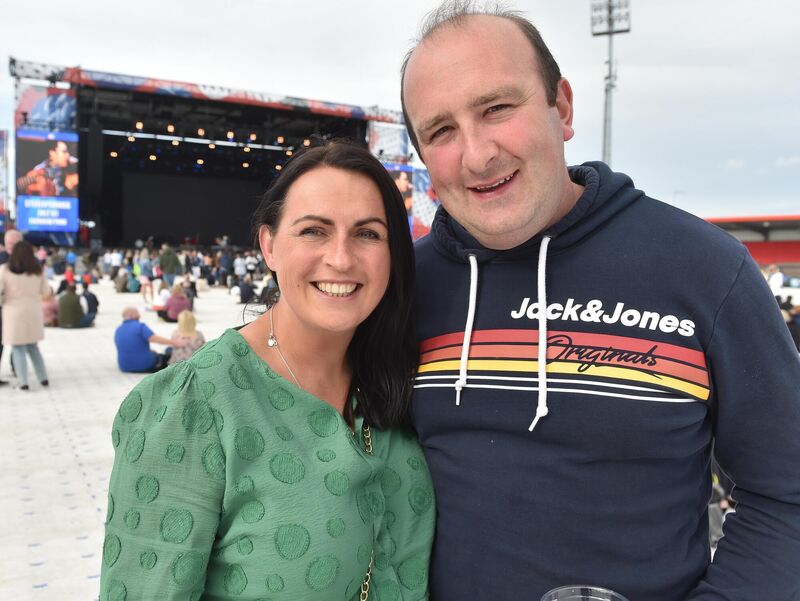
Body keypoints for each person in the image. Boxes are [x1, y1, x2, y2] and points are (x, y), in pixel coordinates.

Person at [400, 3, 800, 601]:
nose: (478, 154)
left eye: (497, 109)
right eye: (441, 131)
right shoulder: (401, 288)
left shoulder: (705, 269)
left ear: (561, 106)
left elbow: (786, 493)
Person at [100, 141, 434, 601]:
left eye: (368, 233)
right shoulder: (196, 405)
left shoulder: (391, 376)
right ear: (269, 245)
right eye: (314, 231)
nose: (341, 257)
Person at [0, 240, 50, 390]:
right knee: (33, 347)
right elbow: (46, 292)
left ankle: (23, 382)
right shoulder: (38, 271)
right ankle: (43, 378)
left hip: (13, 313)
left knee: (18, 349)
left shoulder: (4, 270)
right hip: (33, 312)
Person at [113, 307, 180, 372]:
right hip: (144, 365)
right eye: (137, 313)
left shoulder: (118, 329)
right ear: (132, 314)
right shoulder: (140, 326)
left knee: (154, 353)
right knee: (168, 354)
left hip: (124, 366)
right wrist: (175, 342)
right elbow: (154, 338)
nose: (139, 315)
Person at [0, 229, 23, 385]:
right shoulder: (3, 258)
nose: (11, 247)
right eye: (9, 243)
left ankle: (18, 368)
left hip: (17, 306)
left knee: (19, 339)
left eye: (14, 244)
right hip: (3, 305)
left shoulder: (24, 260)